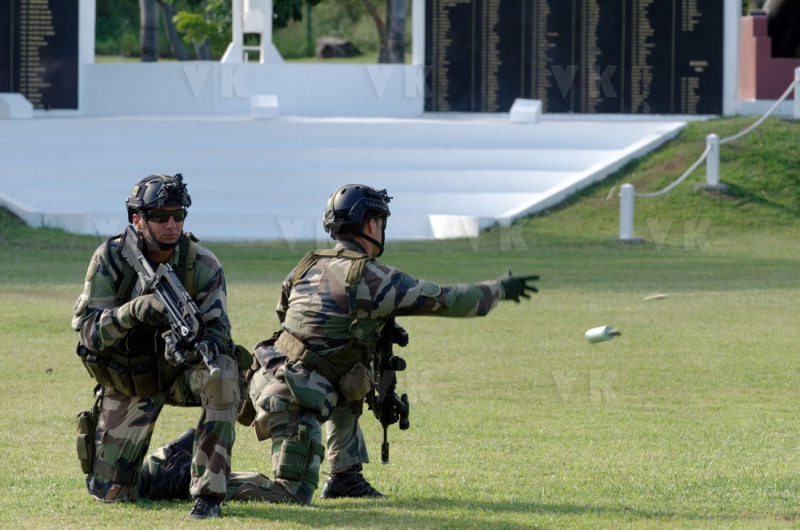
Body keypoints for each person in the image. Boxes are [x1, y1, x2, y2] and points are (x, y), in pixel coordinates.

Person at [239, 184, 538, 504]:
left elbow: (285, 313)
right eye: (381, 221)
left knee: (348, 371)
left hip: (269, 376)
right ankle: (197, 478)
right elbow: (447, 299)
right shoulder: (373, 278)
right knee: (292, 495)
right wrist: (499, 290)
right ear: (371, 225)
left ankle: (345, 476)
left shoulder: (307, 265)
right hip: (292, 397)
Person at [71, 174, 240, 520]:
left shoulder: (202, 264)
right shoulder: (112, 259)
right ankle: (177, 460)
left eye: (178, 215)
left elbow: (221, 332)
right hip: (129, 379)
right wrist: (135, 311)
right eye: (161, 216)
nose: (172, 224)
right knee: (112, 492)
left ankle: (208, 496)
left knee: (222, 372)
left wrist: (197, 344)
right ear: (138, 220)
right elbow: (89, 333)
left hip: (180, 373)